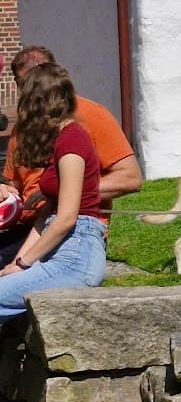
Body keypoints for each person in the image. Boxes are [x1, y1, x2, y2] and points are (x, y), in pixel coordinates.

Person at [0, 46, 142, 268]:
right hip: (30, 226)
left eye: (37, 82)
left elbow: (130, 179)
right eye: (25, 84)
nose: (31, 92)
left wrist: (63, 191)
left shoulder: (89, 116)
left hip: (72, 228)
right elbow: (15, 185)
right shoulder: (22, 127)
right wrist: (6, 192)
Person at [0, 64, 106, 317]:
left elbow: (67, 217)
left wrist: (24, 263)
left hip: (76, 256)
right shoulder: (60, 141)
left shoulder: (73, 139)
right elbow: (46, 216)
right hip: (60, 249)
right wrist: (16, 263)